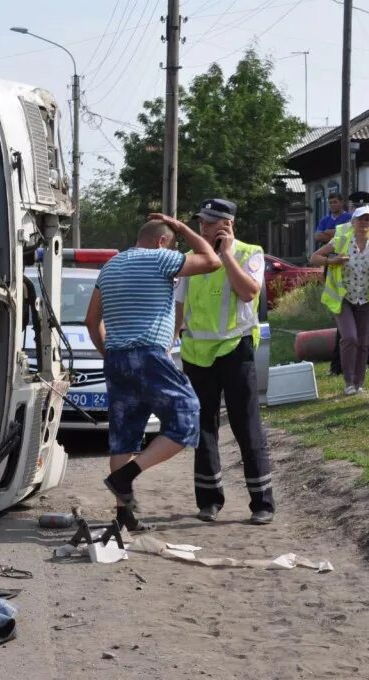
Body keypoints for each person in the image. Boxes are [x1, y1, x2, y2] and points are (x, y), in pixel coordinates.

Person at [86, 214, 221, 531]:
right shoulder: (161, 258)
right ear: (162, 241)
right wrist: (183, 227)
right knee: (188, 415)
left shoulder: (110, 267)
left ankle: (124, 516)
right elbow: (211, 260)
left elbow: (92, 321)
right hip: (149, 355)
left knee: (123, 437)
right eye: (172, 242)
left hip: (117, 359)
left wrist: (111, 354)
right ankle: (125, 476)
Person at [174, 198, 275, 525]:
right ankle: (209, 501)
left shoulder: (250, 253)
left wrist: (227, 254)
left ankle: (262, 503)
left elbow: (248, 293)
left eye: (209, 222)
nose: (203, 227)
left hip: (235, 350)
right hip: (196, 353)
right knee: (203, 430)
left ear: (226, 224)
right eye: (201, 222)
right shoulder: (191, 259)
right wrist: (170, 342)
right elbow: (179, 308)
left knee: (247, 428)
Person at [310, 206, 369, 395]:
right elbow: (314, 257)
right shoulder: (342, 240)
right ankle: (348, 382)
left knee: (364, 342)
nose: (364, 223)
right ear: (353, 222)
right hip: (343, 298)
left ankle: (359, 384)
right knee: (350, 337)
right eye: (360, 219)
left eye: (367, 220)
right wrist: (331, 262)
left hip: (368, 300)